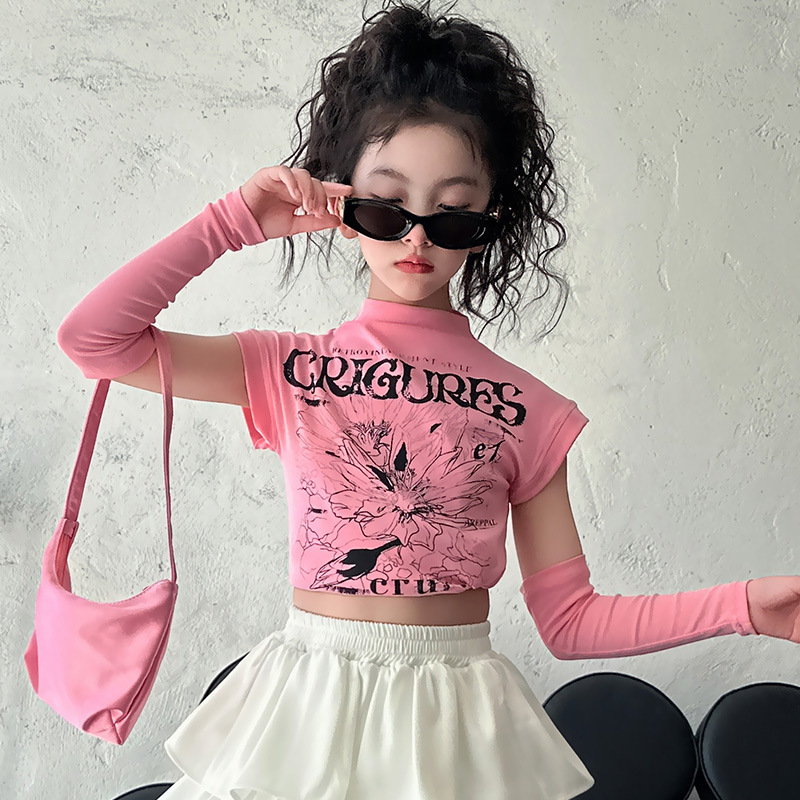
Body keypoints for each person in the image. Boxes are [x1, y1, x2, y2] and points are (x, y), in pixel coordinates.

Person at [55, 1, 800, 798]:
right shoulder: (293, 368)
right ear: (343, 207)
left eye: (450, 217)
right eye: (385, 207)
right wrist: (231, 222)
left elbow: (571, 620)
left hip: (455, 728)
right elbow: (97, 342)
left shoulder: (530, 409)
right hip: (306, 710)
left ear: (489, 219)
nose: (416, 238)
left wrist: (747, 606)